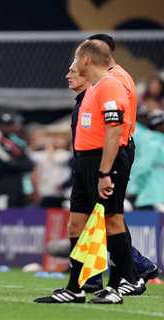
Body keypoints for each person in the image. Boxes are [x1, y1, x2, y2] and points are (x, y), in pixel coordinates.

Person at [35, 40, 139, 304]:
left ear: (86, 60)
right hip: (85, 161)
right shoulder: (95, 88)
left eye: (76, 58)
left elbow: (114, 130)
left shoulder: (111, 85)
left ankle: (121, 284)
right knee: (76, 223)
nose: (73, 64)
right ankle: (75, 287)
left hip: (103, 161)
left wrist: (105, 172)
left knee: (111, 220)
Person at [86, 34, 159, 286]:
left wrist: (105, 166)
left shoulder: (112, 79)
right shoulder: (120, 76)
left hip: (114, 150)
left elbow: (114, 124)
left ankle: (132, 271)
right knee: (107, 216)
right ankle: (131, 270)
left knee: (107, 216)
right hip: (116, 148)